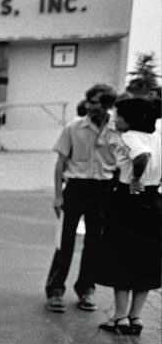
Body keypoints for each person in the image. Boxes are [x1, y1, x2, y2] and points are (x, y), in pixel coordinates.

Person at [44, 83, 117, 313]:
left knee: (95, 243)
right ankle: (55, 290)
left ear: (106, 105)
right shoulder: (73, 128)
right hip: (76, 187)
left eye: (94, 102)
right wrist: (58, 195)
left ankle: (86, 289)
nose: (88, 106)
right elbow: (60, 164)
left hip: (103, 188)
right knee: (64, 241)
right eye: (88, 102)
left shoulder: (116, 129)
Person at [95, 96, 161, 335]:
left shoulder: (129, 137)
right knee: (146, 258)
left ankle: (120, 317)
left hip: (129, 199)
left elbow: (140, 156)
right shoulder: (157, 136)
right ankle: (136, 316)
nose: (116, 119)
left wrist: (135, 179)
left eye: (119, 116)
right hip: (153, 199)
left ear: (129, 119)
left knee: (121, 255)